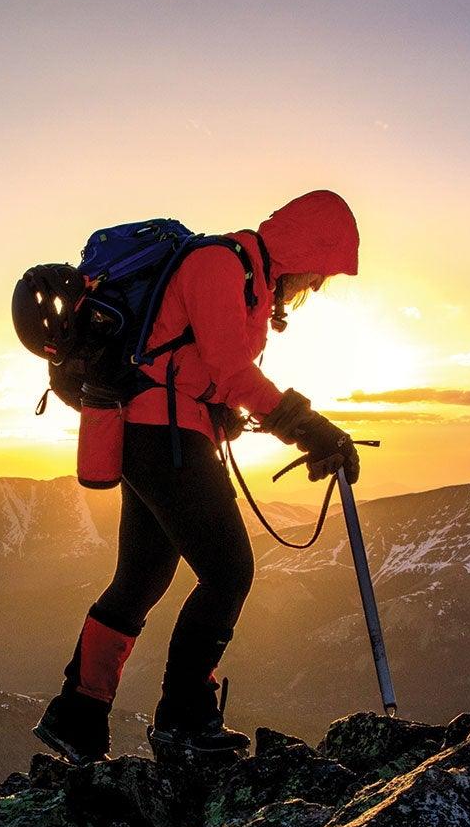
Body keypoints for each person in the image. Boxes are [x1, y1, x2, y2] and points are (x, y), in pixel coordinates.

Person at [34, 189, 362, 765]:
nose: (315, 286)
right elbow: (233, 371)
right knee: (229, 571)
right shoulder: (219, 264)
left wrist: (220, 411)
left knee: (141, 580)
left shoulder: (249, 280)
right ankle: (184, 721)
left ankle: (77, 718)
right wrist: (310, 429)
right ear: (306, 249)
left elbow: (198, 367)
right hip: (162, 438)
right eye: (320, 273)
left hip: (155, 433)